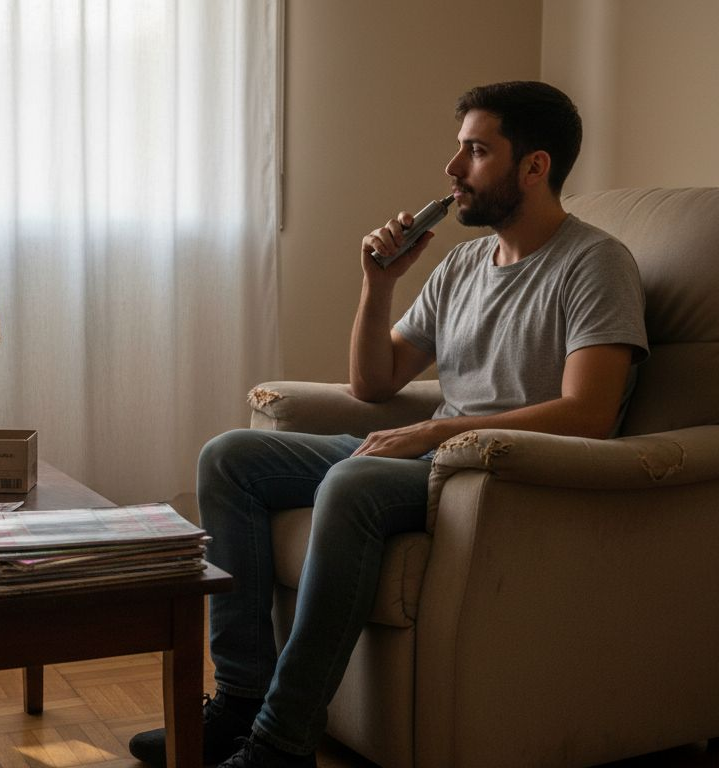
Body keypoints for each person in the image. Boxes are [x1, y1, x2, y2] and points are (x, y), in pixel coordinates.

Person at [129, 80, 648, 768]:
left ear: (535, 166)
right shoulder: (465, 263)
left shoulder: (595, 264)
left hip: (496, 473)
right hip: (429, 456)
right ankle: (239, 704)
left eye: (476, 151)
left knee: (352, 483)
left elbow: (590, 413)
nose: (453, 169)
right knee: (229, 458)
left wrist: (438, 434)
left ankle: (282, 745)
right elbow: (372, 383)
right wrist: (379, 284)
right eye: (458, 149)